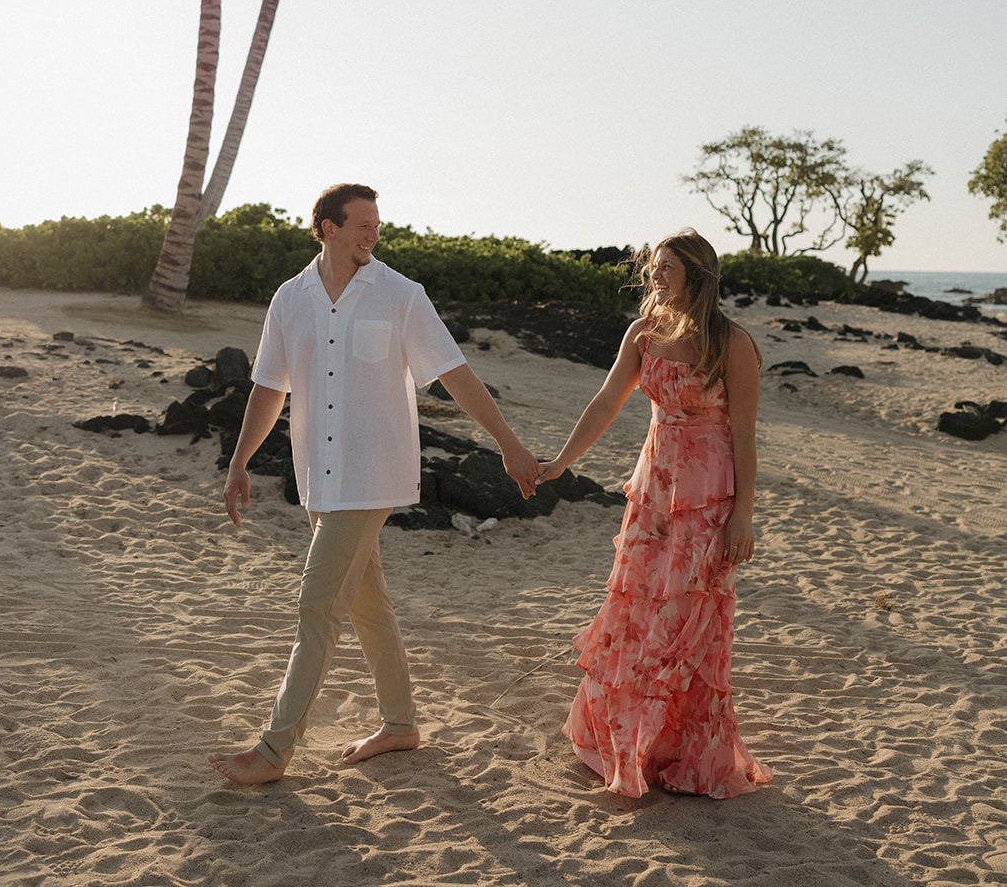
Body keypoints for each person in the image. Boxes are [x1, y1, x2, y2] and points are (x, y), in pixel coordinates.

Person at [208, 183, 539, 786]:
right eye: (362, 225)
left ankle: (273, 751)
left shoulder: (399, 295)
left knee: (317, 605)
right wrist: (239, 462)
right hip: (320, 474)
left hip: (373, 474)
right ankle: (401, 724)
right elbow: (268, 388)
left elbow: (453, 374)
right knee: (367, 604)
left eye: (377, 225)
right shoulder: (291, 299)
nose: (373, 235)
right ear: (327, 229)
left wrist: (507, 442)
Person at [536, 229, 772, 800]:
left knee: (691, 618)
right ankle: (637, 744)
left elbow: (744, 435)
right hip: (653, 490)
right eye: (654, 267)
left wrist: (743, 514)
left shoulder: (732, 343)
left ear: (698, 275)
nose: (656, 276)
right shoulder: (644, 333)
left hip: (708, 496)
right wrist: (561, 461)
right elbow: (606, 401)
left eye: (668, 268)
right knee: (636, 608)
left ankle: (683, 750)